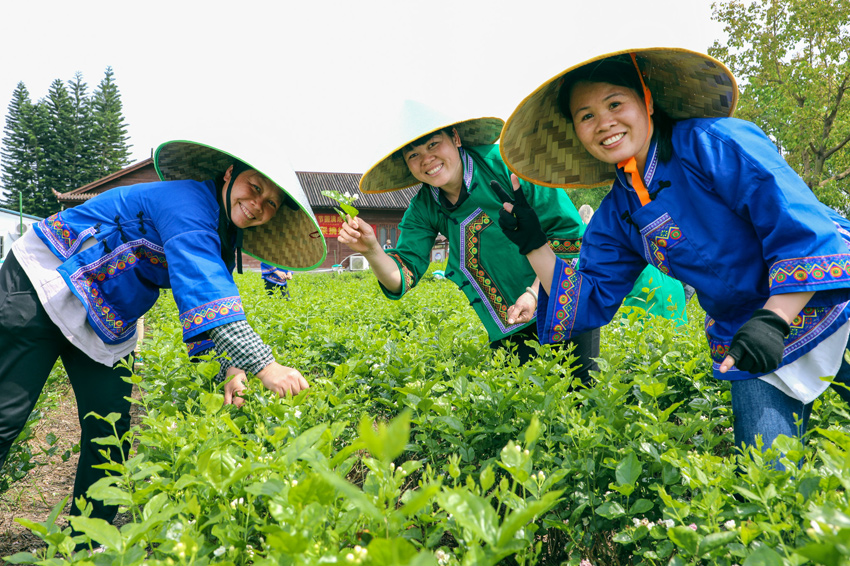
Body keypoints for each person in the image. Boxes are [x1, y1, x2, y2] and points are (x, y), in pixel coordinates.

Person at [496, 48, 850, 458]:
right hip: (747, 337)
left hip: (829, 301)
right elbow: (587, 300)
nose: (604, 122)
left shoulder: (715, 142)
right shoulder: (615, 215)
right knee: (767, 474)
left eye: (615, 104)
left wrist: (774, 318)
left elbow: (801, 226)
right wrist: (533, 244)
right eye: (586, 115)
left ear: (647, 101)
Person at [0, 137, 326, 534]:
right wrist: (266, 366)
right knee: (6, 414)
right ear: (229, 175)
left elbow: (209, 299)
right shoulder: (187, 203)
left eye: (271, 203)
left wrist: (231, 368)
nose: (258, 205)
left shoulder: (221, 234)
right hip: (44, 280)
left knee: (110, 431)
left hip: (106, 310)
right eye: (254, 187)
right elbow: (208, 293)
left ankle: (87, 542)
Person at [340, 103, 599, 377]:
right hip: (508, 321)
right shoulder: (424, 207)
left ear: (455, 138)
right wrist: (372, 250)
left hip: (562, 297)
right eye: (413, 154)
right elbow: (402, 274)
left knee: (581, 388)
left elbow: (568, 233)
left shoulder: (507, 164)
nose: (426, 159)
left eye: (433, 144)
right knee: (521, 398)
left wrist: (534, 294)